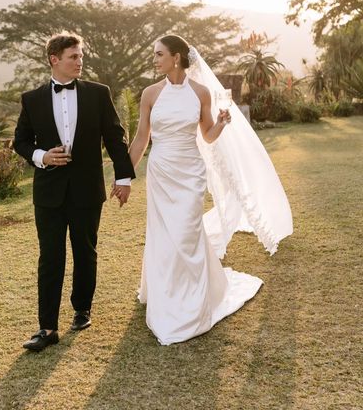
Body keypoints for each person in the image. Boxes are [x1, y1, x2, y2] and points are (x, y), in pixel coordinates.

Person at [124, 35, 292, 345]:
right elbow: (140, 140)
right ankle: (165, 295)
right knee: (164, 232)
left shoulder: (201, 93)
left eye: (159, 54)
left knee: (187, 230)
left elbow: (208, 135)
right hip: (161, 171)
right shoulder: (150, 94)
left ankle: (192, 299)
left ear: (176, 57)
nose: (155, 59)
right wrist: (123, 176)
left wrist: (222, 122)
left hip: (190, 172)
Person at [14, 32, 135, 352]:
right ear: (55, 59)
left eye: (81, 56)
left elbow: (115, 137)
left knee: (85, 252)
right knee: (50, 258)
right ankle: (47, 327)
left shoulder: (98, 93)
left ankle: (82, 310)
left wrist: (124, 178)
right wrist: (42, 157)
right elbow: (21, 142)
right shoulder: (32, 98)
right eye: (74, 57)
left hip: (86, 189)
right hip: (48, 193)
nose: (80, 61)